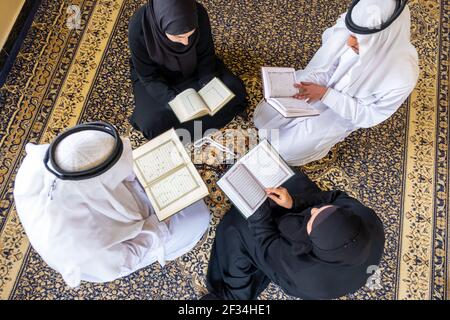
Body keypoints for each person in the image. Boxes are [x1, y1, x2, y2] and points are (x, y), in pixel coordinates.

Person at [13, 122, 210, 288]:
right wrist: (160, 221)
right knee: (198, 215)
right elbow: (126, 258)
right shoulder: (81, 247)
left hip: (106, 202)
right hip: (121, 245)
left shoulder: (47, 159)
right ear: (99, 185)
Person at [254, 0, 419, 166]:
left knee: (284, 150)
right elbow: (329, 65)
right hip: (321, 86)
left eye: (359, 41)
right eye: (352, 36)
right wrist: (312, 84)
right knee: (264, 117)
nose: (349, 43)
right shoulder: (353, 28)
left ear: (382, 41)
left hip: (342, 112)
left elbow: (369, 116)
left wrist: (325, 95)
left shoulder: (402, 77)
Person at [204, 171, 385, 300]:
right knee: (289, 181)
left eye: (312, 218)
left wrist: (259, 216)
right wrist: (294, 203)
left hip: (305, 274)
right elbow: (331, 198)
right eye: (321, 211)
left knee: (238, 227)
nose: (313, 210)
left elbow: (268, 245)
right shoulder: (365, 217)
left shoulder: (305, 273)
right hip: (334, 253)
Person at [128, 0, 247, 140]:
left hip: (195, 68)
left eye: (191, 34)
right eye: (178, 37)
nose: (186, 42)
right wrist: (174, 101)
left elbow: (206, 55)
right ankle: (202, 122)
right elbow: (148, 76)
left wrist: (207, 84)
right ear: (160, 26)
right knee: (151, 123)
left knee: (235, 90)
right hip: (158, 78)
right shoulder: (139, 26)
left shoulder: (198, 13)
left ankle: (181, 132)